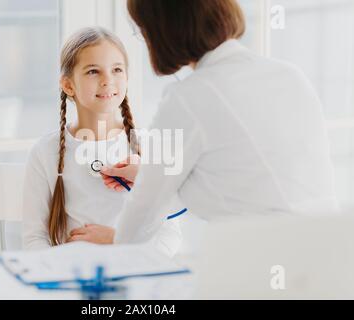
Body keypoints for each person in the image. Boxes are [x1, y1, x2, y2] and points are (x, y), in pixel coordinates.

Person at [96, 0, 339, 244]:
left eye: (143, 31)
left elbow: (144, 208)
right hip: (331, 252)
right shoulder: (290, 75)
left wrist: (115, 241)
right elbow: (246, 180)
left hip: (268, 258)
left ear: (162, 30)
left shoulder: (188, 97)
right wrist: (150, 174)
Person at [21, 27, 182, 257]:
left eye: (117, 69)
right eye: (93, 71)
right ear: (68, 85)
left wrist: (117, 242)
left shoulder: (149, 147)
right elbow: (34, 239)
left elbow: (169, 237)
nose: (108, 80)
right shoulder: (45, 153)